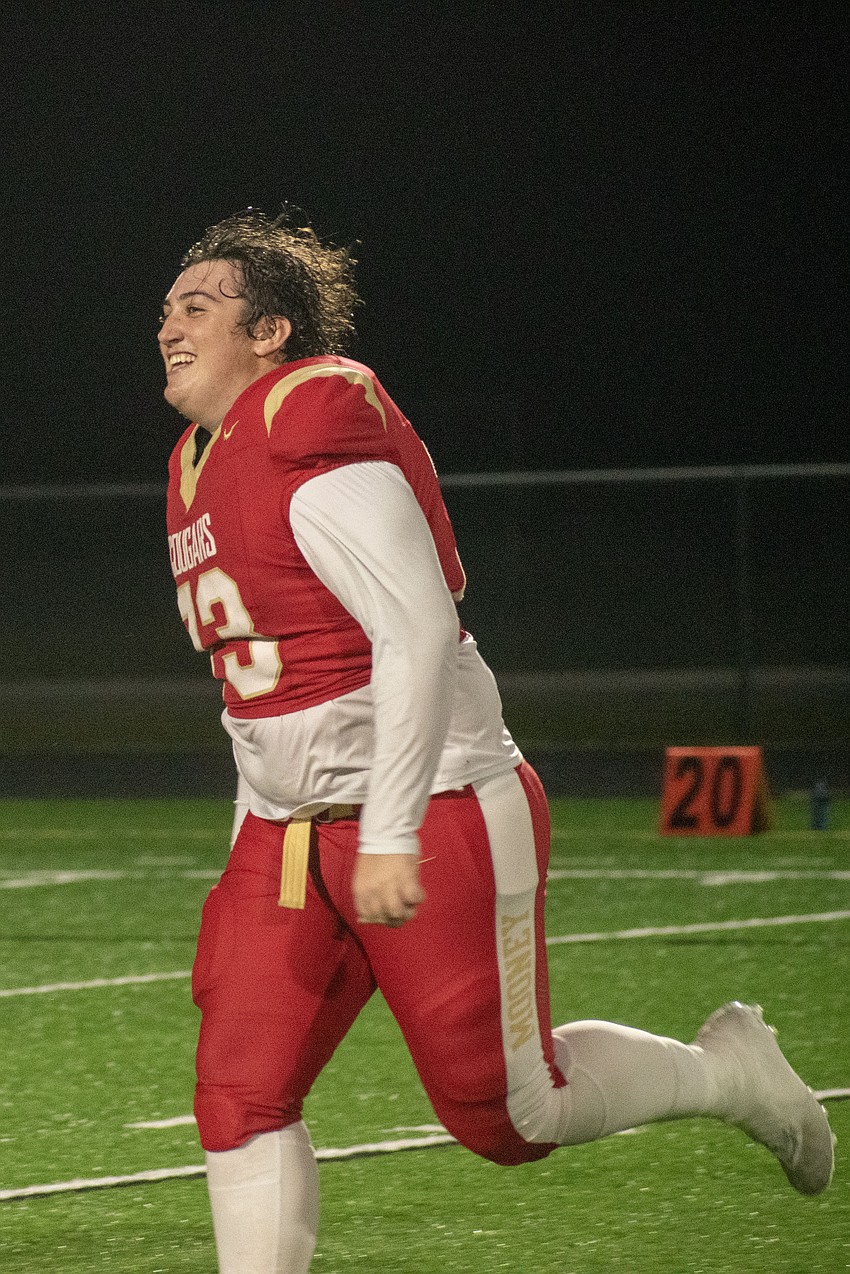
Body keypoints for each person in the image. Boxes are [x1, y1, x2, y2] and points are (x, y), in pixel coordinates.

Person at [159, 209, 833, 1274]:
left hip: (436, 807)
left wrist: (387, 828)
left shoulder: (307, 428)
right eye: (166, 307)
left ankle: (730, 1072)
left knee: (508, 1115)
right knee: (237, 1089)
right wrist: (256, 812)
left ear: (272, 331)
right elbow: (263, 684)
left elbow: (419, 629)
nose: (169, 325)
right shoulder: (193, 466)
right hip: (286, 836)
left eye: (198, 305)